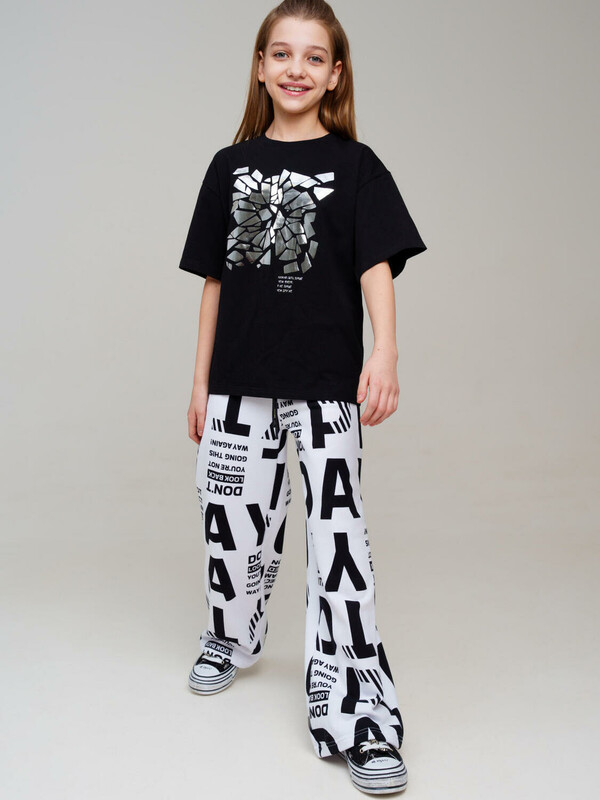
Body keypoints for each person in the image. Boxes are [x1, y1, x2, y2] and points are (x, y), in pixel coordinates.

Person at [177, 0, 427, 794]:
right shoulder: (229, 166)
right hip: (238, 381)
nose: (296, 68)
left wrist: (385, 351)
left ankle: (361, 716)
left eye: (314, 57)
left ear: (336, 74)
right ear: (260, 67)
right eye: (281, 54)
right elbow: (215, 280)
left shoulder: (357, 167)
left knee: (338, 543)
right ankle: (231, 636)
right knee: (230, 526)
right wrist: (200, 381)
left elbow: (375, 266)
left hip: (325, 384)